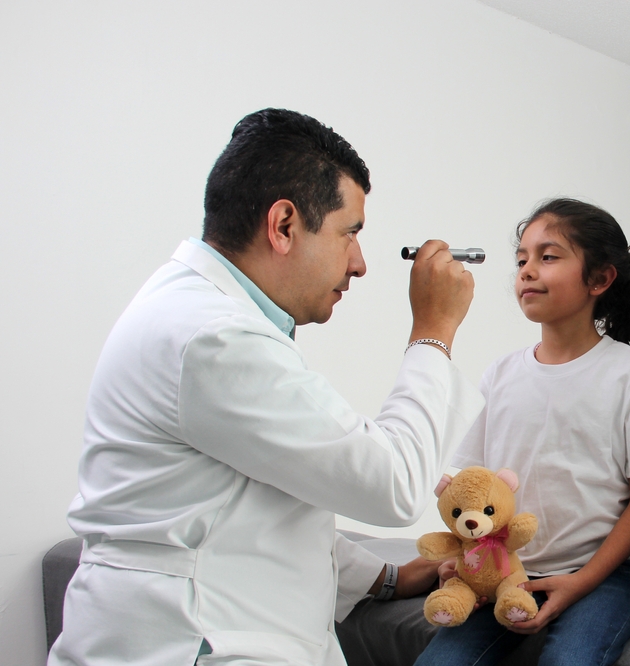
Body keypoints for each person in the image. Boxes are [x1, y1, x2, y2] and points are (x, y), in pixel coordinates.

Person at [48, 108, 486, 666]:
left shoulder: (197, 311)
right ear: (282, 225)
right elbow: (394, 483)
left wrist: (386, 578)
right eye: (350, 233)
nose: (359, 264)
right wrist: (434, 330)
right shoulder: (214, 337)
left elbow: (253, 503)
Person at [415, 198, 630, 666]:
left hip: (611, 573)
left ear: (599, 279)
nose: (526, 270)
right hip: (511, 569)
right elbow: (478, 488)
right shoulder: (500, 374)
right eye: (521, 259)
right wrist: (467, 561)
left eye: (547, 256)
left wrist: (580, 583)